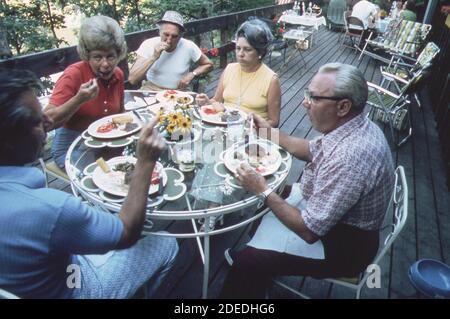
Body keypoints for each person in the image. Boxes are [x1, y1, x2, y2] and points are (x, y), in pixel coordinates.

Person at [220, 63, 395, 298]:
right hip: (329, 214)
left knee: (247, 261)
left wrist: (262, 190)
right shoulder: (354, 124)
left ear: (343, 106)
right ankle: (259, 270)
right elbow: (310, 149)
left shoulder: (350, 158)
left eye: (313, 97)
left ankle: (253, 268)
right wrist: (267, 133)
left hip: (343, 246)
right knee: (269, 195)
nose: (305, 102)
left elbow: (309, 230)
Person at [0, 68, 178, 298]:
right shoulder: (52, 209)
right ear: (8, 142)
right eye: (36, 121)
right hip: (75, 285)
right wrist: (145, 162)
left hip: (40, 278)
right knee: (167, 244)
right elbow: (127, 232)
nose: (47, 121)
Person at [45, 15, 127, 169]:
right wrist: (79, 99)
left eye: (110, 56)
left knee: (130, 166)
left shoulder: (118, 74)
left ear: (118, 54)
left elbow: (120, 113)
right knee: (102, 176)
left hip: (105, 143)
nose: (105, 64)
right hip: (71, 148)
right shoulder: (74, 74)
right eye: (97, 57)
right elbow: (46, 122)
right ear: (87, 55)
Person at [196, 19, 281, 128]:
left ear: (260, 52)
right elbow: (216, 101)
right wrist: (207, 101)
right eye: (238, 48)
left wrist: (256, 126)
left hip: (253, 133)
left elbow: (274, 121)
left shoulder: (271, 79)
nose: (240, 54)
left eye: (247, 49)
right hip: (224, 126)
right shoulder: (229, 69)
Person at [128, 11, 213, 91]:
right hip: (152, 88)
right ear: (159, 32)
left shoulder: (189, 46)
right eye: (166, 34)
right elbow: (132, 79)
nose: (169, 40)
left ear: (180, 36)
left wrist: (192, 74)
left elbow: (208, 65)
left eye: (174, 36)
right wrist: (154, 57)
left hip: (180, 91)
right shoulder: (148, 44)